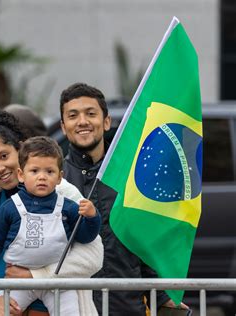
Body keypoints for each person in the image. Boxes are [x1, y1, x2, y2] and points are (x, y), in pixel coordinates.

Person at [0, 110, 103, 316]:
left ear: (21, 150)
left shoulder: (65, 194)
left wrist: (36, 275)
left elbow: (93, 256)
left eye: (4, 155)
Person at [59, 82, 187, 315]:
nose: (82, 122)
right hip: (72, 307)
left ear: (106, 122)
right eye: (73, 115)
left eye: (91, 113)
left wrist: (161, 297)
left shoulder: (132, 177)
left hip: (126, 307)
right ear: (63, 126)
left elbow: (144, 241)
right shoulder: (53, 182)